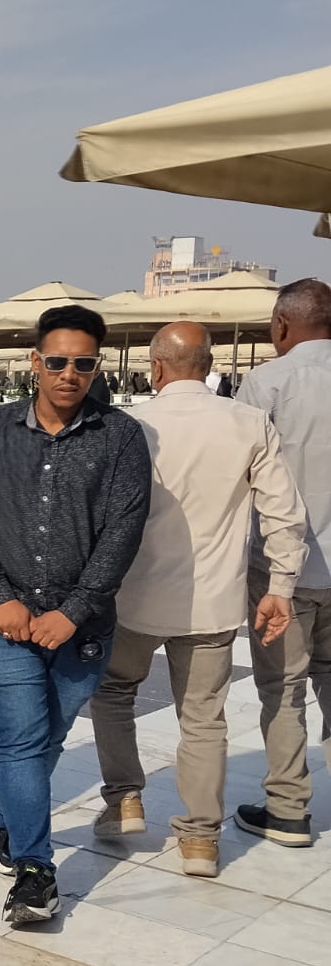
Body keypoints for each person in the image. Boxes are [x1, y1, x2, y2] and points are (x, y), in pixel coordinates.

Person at [0, 304, 151, 924]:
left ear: (97, 367)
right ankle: (37, 873)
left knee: (47, 738)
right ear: (36, 363)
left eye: (83, 363)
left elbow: (123, 533)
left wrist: (75, 610)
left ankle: (7, 818)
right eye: (57, 360)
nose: (69, 373)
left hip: (81, 629)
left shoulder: (120, 438)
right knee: (21, 736)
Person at [88, 322, 304, 877]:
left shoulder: (131, 425)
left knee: (113, 693)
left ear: (155, 368)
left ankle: (124, 800)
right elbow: (283, 514)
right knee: (203, 717)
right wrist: (280, 587)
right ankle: (200, 840)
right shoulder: (248, 422)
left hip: (133, 597)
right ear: (208, 367)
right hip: (213, 600)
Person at [232, 278, 331, 846]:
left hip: (282, 574)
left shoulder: (269, 380)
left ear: (282, 326)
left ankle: (289, 809)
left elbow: (240, 473)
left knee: (284, 689)